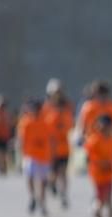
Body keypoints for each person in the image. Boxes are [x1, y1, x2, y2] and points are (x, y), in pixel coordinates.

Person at [17, 99, 53, 217]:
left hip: (44, 156)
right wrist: (21, 154)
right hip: (30, 155)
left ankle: (42, 203)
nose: (35, 111)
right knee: (30, 177)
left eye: (37, 109)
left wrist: (53, 154)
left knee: (43, 182)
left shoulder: (46, 122)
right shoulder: (26, 122)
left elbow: (51, 139)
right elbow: (22, 139)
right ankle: (32, 196)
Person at [85, 115, 112, 217]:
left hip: (109, 175)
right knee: (101, 198)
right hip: (97, 174)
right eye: (103, 127)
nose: (105, 130)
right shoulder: (93, 140)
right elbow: (91, 158)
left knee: (109, 200)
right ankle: (96, 208)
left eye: (108, 127)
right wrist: (105, 163)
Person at [43, 80, 74, 208]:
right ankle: (52, 184)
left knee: (63, 172)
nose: (57, 95)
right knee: (53, 173)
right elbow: (44, 125)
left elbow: (70, 124)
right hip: (50, 147)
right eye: (55, 93)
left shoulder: (66, 107)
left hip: (63, 146)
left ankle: (64, 194)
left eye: (59, 92)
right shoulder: (47, 108)